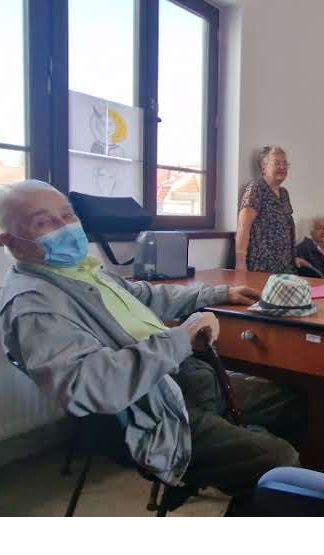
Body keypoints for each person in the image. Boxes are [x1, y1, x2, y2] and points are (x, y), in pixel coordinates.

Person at [0, 180, 305, 513]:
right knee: (278, 464)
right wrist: (181, 339)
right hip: (148, 412)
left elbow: (145, 295)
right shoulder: (34, 306)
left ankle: (239, 473)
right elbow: (89, 386)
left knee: (296, 401)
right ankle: (247, 477)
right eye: (43, 222)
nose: (65, 227)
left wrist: (217, 293)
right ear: (11, 242)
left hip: (180, 380)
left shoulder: (80, 271)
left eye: (68, 215)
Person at [236, 145, 296, 273]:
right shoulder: (256, 189)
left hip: (284, 266)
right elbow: (243, 228)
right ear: (263, 167)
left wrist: (294, 258)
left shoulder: (284, 193)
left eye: (285, 163)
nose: (282, 167)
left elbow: (287, 230)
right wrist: (240, 263)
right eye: (277, 163)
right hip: (261, 265)